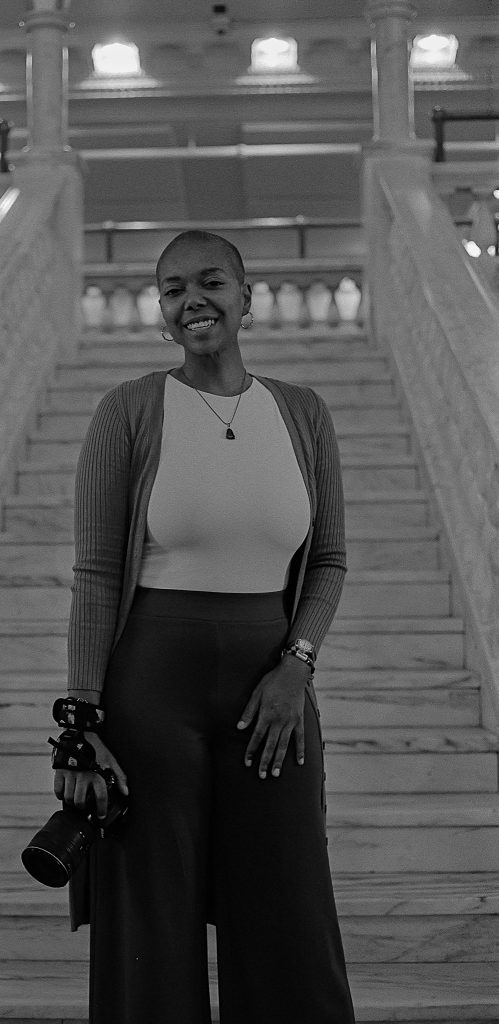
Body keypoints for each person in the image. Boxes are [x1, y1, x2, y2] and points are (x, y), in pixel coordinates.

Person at [54, 229, 356, 1024]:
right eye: (172, 288)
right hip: (153, 686)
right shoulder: (127, 411)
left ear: (246, 296)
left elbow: (326, 559)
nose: (192, 299)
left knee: (286, 898)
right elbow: (94, 575)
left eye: (211, 281)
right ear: (161, 313)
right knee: (151, 909)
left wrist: (296, 663)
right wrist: (80, 722)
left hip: (271, 690)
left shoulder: (301, 413)